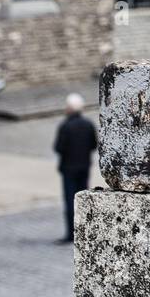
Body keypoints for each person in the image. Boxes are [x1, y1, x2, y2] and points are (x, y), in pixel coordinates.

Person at [53, 93, 97, 244]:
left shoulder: (65, 126)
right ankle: (83, 230)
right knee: (82, 199)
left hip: (69, 168)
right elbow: (93, 145)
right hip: (84, 167)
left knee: (70, 201)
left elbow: (58, 148)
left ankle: (71, 233)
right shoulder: (88, 124)